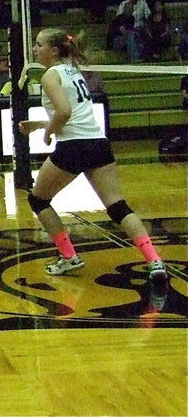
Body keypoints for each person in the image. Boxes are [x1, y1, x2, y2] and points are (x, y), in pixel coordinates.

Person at [18, 28, 168, 282]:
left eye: (39, 44)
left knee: (38, 200)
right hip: (98, 144)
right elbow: (74, 116)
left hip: (73, 147)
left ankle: (69, 257)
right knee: (118, 206)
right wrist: (40, 124)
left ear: (53, 50)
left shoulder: (50, 75)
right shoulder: (73, 70)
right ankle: (155, 261)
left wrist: (47, 134)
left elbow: (64, 113)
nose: (35, 49)